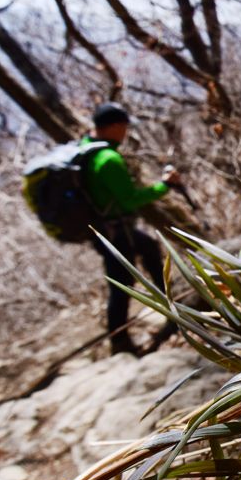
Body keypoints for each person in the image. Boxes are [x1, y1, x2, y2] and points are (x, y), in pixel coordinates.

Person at [83, 103, 180, 355]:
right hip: (116, 231)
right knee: (121, 283)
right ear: (114, 126)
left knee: (147, 251)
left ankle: (171, 311)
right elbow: (129, 199)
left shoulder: (85, 149)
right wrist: (163, 186)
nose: (125, 133)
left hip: (103, 229)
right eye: (124, 127)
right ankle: (121, 341)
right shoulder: (108, 159)